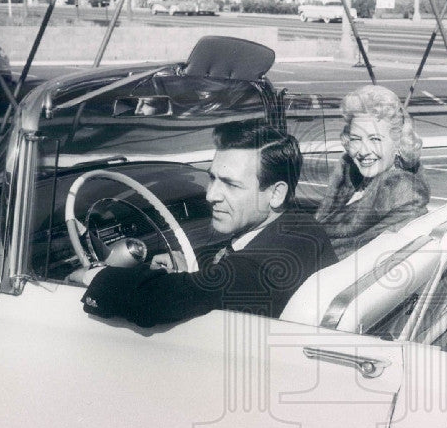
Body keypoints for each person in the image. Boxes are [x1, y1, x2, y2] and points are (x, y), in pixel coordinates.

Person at [78, 121, 337, 327]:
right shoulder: (302, 227)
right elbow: (222, 277)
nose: (211, 195)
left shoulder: (255, 270)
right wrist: (194, 271)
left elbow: (152, 302)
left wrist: (90, 274)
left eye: (231, 184)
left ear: (276, 193)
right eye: (212, 178)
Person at [315, 85, 430, 259]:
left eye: (375, 139)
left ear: (398, 143)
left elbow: (365, 263)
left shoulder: (404, 195)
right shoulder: (352, 181)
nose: (363, 151)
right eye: (356, 139)